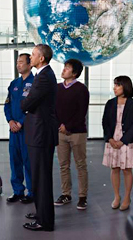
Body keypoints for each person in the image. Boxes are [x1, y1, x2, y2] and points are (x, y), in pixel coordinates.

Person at [21, 44, 58, 232]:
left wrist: (24, 103)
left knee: (42, 179)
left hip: (41, 134)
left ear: (41, 59)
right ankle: (41, 213)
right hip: (38, 133)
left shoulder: (44, 77)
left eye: (34, 55)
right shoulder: (43, 75)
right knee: (38, 177)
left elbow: (28, 102)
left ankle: (45, 221)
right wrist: (27, 103)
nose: (30, 58)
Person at [54, 59, 90, 210]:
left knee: (80, 164)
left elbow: (81, 112)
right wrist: (59, 126)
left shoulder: (81, 89)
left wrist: (67, 126)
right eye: (64, 67)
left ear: (74, 73)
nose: (63, 70)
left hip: (77, 133)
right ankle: (66, 194)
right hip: (60, 133)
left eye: (67, 68)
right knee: (63, 165)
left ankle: (82, 197)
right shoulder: (56, 88)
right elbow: (53, 110)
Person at [102, 75, 133, 211]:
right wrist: (110, 139)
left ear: (125, 86)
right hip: (113, 139)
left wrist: (123, 141)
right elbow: (105, 122)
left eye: (118, 85)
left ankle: (127, 197)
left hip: (127, 141)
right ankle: (117, 196)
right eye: (114, 85)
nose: (115, 88)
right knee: (115, 168)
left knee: (127, 169)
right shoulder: (110, 103)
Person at [4, 53, 34, 204]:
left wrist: (21, 122)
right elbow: (7, 104)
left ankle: (32, 192)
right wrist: (10, 121)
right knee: (14, 161)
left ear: (30, 64)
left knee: (28, 161)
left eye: (21, 62)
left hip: (27, 130)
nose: (18, 65)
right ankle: (17, 191)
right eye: (17, 62)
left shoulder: (35, 82)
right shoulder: (14, 83)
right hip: (13, 130)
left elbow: (34, 108)